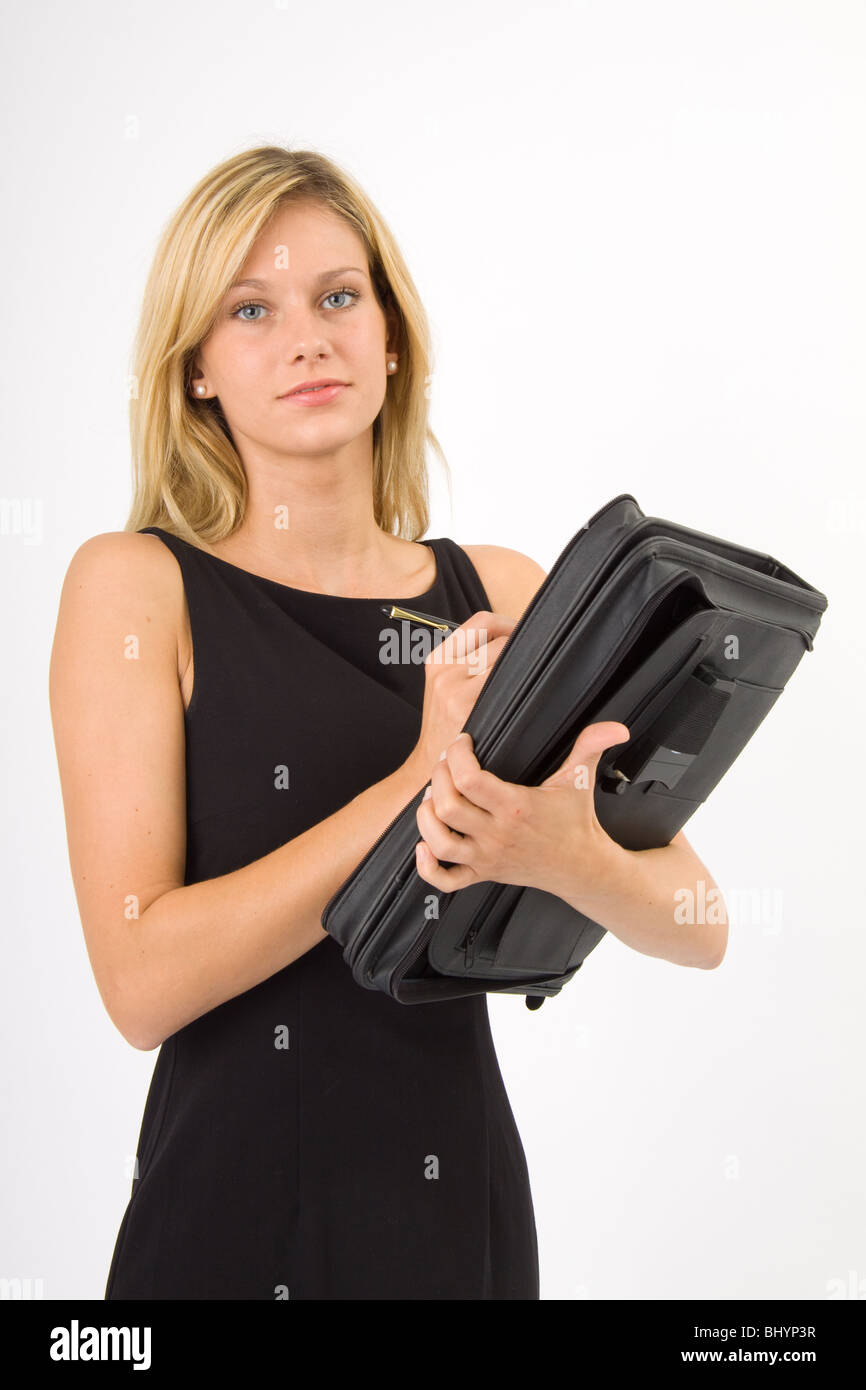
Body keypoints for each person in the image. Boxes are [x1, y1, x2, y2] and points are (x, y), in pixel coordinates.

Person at [48, 145, 727, 1301]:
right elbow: (139, 983)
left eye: (337, 296)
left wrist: (562, 854)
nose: (306, 337)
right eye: (249, 309)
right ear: (197, 369)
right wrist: (414, 780)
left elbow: (698, 921)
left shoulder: (503, 591)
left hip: (454, 1212)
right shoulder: (137, 586)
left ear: (390, 334)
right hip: (229, 1218)